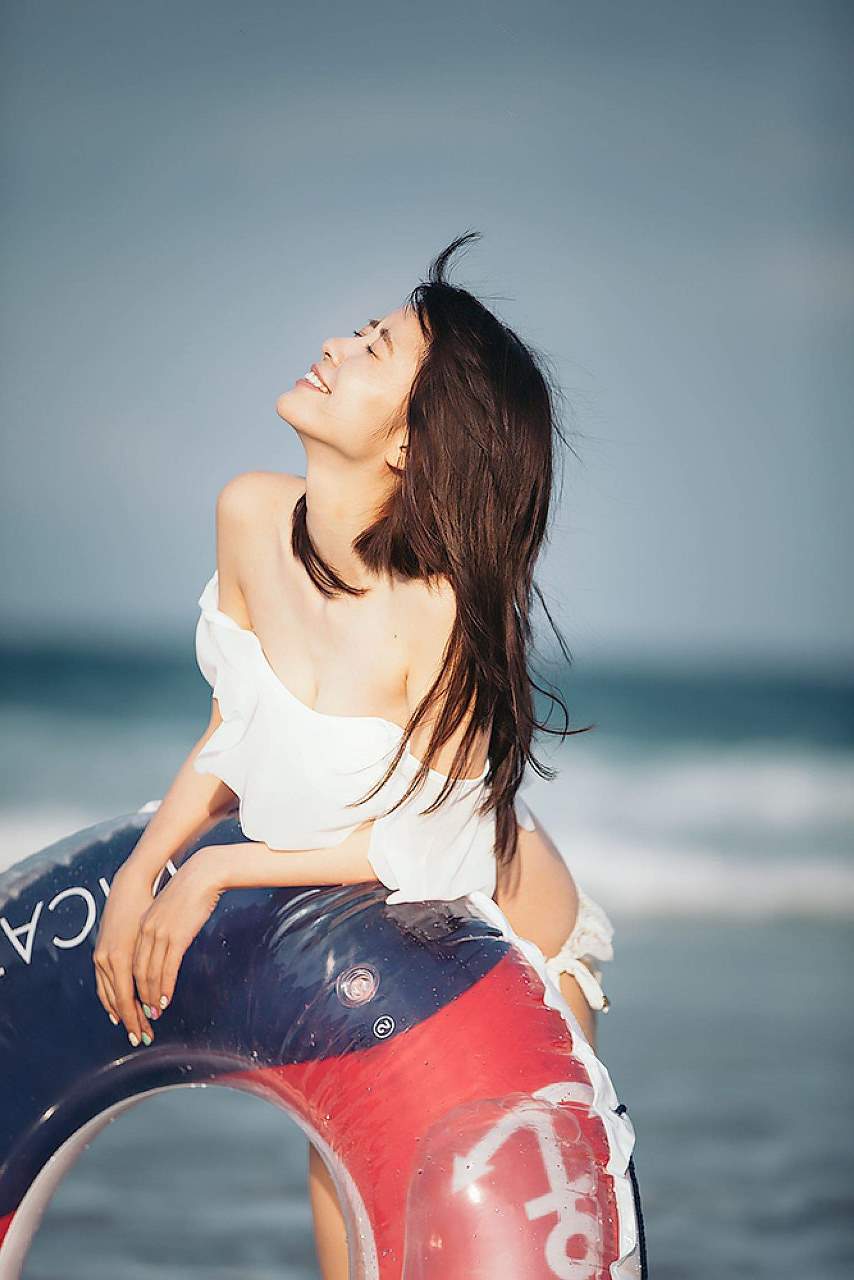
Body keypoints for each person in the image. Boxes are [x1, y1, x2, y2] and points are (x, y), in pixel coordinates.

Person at [92, 231, 616, 1279]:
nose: (333, 345)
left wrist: (217, 868)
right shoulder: (249, 514)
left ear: (412, 442)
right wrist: (140, 872)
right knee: (350, 1221)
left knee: (463, 1235)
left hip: (498, 942)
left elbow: (428, 849)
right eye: (359, 330)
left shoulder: (443, 613)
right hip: (367, 945)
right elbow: (231, 734)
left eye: (373, 347)